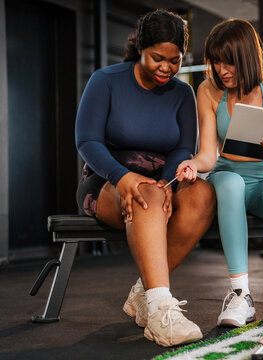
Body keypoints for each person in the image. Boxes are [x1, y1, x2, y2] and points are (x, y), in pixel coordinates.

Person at [75, 9, 216, 347]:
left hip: (161, 181)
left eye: (175, 60)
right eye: (157, 58)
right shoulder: (105, 80)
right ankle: (161, 311)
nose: (166, 68)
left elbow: (184, 147)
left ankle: (145, 293)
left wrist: (168, 183)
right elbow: (87, 140)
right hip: (107, 180)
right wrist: (122, 177)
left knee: (203, 195)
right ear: (141, 49)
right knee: (145, 193)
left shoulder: (182, 94)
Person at [174, 19, 263, 327]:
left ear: (247, 57)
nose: (221, 70)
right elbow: (208, 153)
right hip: (227, 175)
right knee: (229, 182)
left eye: (228, 62)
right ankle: (240, 295)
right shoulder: (208, 90)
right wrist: (193, 163)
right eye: (216, 62)